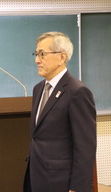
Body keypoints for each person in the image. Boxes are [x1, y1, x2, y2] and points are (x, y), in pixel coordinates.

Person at [23, 32, 96, 192]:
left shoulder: (77, 92)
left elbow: (85, 146)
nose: (37, 60)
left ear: (62, 57)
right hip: (36, 176)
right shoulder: (38, 89)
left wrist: (78, 187)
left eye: (42, 54)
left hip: (61, 182)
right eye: (36, 54)